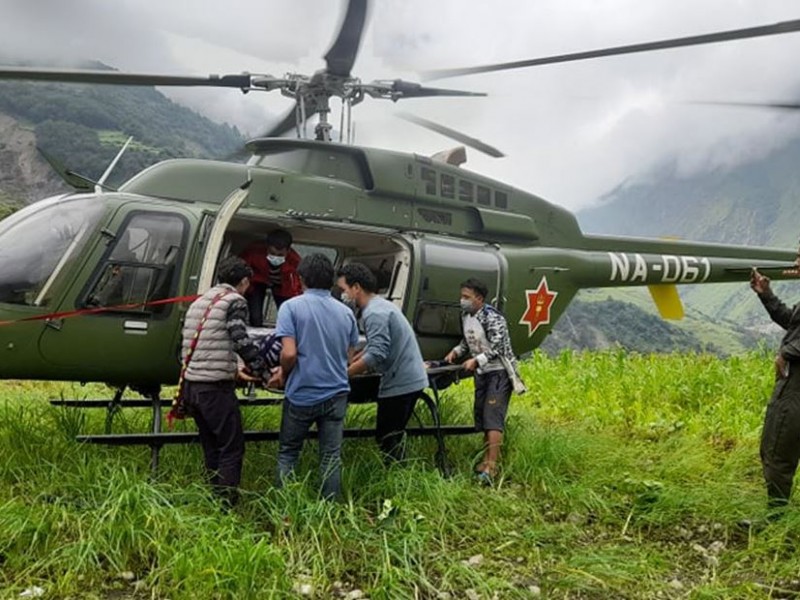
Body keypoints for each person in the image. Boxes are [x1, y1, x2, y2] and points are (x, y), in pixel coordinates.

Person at [269, 253, 359, 500]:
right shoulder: (346, 313)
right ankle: (330, 510)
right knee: (330, 455)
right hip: (337, 393)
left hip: (302, 393)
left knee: (288, 453)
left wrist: (282, 374)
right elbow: (349, 357)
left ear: (301, 279)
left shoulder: (291, 307)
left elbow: (288, 354)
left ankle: (285, 511)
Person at [180, 255, 266, 506]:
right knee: (231, 447)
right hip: (215, 388)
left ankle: (213, 497)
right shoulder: (235, 301)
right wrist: (261, 369)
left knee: (211, 446)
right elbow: (239, 337)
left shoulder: (200, 302)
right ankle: (226, 505)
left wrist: (235, 366)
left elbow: (205, 341)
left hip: (192, 386)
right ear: (244, 281)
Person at [337, 262, 429, 462]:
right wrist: (356, 358)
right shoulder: (381, 305)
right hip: (409, 378)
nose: (342, 295)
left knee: (388, 439)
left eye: (343, 290)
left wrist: (344, 375)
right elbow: (375, 346)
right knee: (391, 436)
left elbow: (377, 354)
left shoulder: (374, 313)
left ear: (357, 288)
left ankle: (398, 482)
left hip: (401, 382)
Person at [444, 277, 523, 484]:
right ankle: (485, 460)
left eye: (466, 297)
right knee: (482, 415)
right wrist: (456, 351)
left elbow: (498, 347)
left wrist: (476, 361)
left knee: (493, 418)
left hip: (498, 372)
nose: (462, 300)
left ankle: (492, 466)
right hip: (482, 373)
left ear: (479, 298)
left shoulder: (492, 317)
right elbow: (467, 340)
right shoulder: (467, 316)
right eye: (462, 296)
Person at [750, 261, 800, 513]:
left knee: (777, 451)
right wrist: (767, 296)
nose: (797, 263)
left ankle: (777, 521)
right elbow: (794, 322)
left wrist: (787, 353)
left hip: (796, 389)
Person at [239, 228, 302, 326]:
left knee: (286, 316)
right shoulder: (253, 252)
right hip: (257, 281)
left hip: (283, 285)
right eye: (272, 253)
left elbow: (296, 287)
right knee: (255, 316)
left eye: (280, 255)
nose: (276, 257)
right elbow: (240, 272)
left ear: (288, 251)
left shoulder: (295, 262)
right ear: (267, 248)